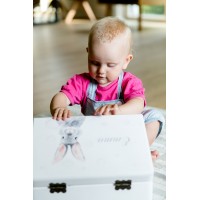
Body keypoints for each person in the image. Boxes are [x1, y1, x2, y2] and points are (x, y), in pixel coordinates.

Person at [50, 16, 165, 160]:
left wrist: (119, 111)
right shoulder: (82, 82)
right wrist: (59, 107)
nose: (101, 71)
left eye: (110, 65)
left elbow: (138, 103)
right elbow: (62, 96)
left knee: (154, 117)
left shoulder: (129, 82)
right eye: (95, 63)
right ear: (88, 53)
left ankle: (138, 150)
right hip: (95, 133)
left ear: (126, 61)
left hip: (126, 132)